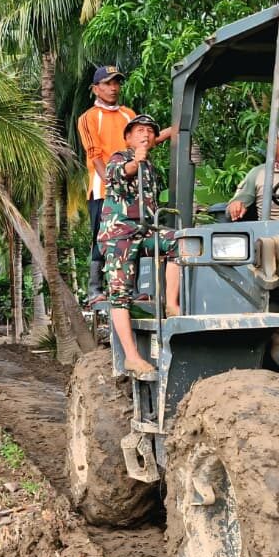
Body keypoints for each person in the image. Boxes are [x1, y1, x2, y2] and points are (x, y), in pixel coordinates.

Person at [77, 65, 176, 304]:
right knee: (102, 235)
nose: (113, 88)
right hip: (105, 186)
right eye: (108, 83)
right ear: (95, 88)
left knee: (139, 230)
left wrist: (171, 131)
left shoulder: (127, 113)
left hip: (134, 186)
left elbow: (143, 140)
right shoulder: (88, 117)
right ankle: (94, 288)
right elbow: (95, 154)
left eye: (116, 83)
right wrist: (110, 181)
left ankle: (130, 288)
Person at [99, 114, 182, 378]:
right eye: (139, 131)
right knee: (120, 294)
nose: (145, 134)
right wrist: (138, 158)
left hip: (145, 232)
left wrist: (173, 129)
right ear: (127, 137)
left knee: (179, 242)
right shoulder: (119, 159)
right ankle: (132, 358)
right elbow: (124, 174)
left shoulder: (153, 170)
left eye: (149, 131)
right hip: (119, 235)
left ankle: (171, 303)